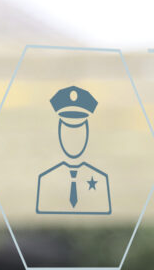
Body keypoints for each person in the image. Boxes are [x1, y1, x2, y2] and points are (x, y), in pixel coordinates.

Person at [34, 84, 111, 215]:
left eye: (79, 129)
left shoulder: (100, 179)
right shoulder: (45, 180)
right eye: (68, 129)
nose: (74, 139)